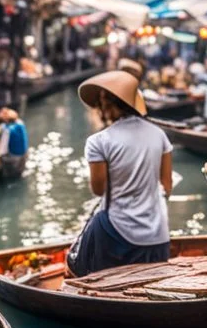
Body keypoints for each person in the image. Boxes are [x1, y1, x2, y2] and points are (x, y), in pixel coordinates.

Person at [72, 71, 173, 276]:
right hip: (158, 234)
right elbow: (167, 186)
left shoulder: (99, 141)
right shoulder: (159, 134)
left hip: (118, 232)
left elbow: (99, 190)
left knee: (80, 265)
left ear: (106, 106)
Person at [0, 107, 29, 173]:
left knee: (2, 158)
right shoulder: (20, 123)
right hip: (24, 153)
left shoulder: (7, 130)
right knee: (20, 172)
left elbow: (2, 149)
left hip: (14, 156)